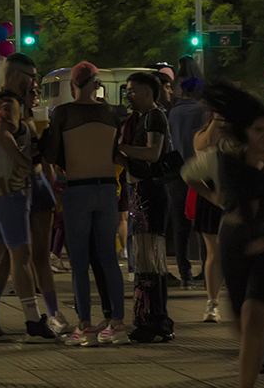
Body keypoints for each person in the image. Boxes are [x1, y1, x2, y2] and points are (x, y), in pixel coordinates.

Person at [184, 84, 264, 385]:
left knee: (256, 313)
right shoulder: (223, 159)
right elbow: (188, 174)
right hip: (235, 243)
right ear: (246, 130)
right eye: (259, 130)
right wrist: (214, 197)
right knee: (244, 319)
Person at [44, 61, 127, 347]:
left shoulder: (63, 113)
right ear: (97, 84)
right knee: (109, 260)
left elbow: (53, 152)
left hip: (77, 189)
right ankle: (117, 324)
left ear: (72, 85)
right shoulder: (112, 113)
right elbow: (116, 152)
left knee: (79, 263)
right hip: (106, 189)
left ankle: (86, 327)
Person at [0, 89, 54, 344]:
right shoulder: (10, 105)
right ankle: (32, 321)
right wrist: (23, 162)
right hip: (8, 190)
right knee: (21, 256)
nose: (36, 91)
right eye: (32, 84)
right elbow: (1, 133)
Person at [116, 71, 173, 342]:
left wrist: (123, 148)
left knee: (150, 259)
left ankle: (155, 320)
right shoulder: (136, 119)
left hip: (151, 192)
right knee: (145, 260)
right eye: (127, 89)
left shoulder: (154, 116)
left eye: (133, 90)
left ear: (149, 93)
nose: (128, 94)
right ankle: (151, 318)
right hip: (138, 190)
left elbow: (153, 153)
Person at [167, 76, 207, 289]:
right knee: (202, 225)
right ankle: (207, 270)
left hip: (177, 173)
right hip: (200, 172)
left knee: (180, 227)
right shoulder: (202, 112)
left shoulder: (173, 113)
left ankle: (185, 273)